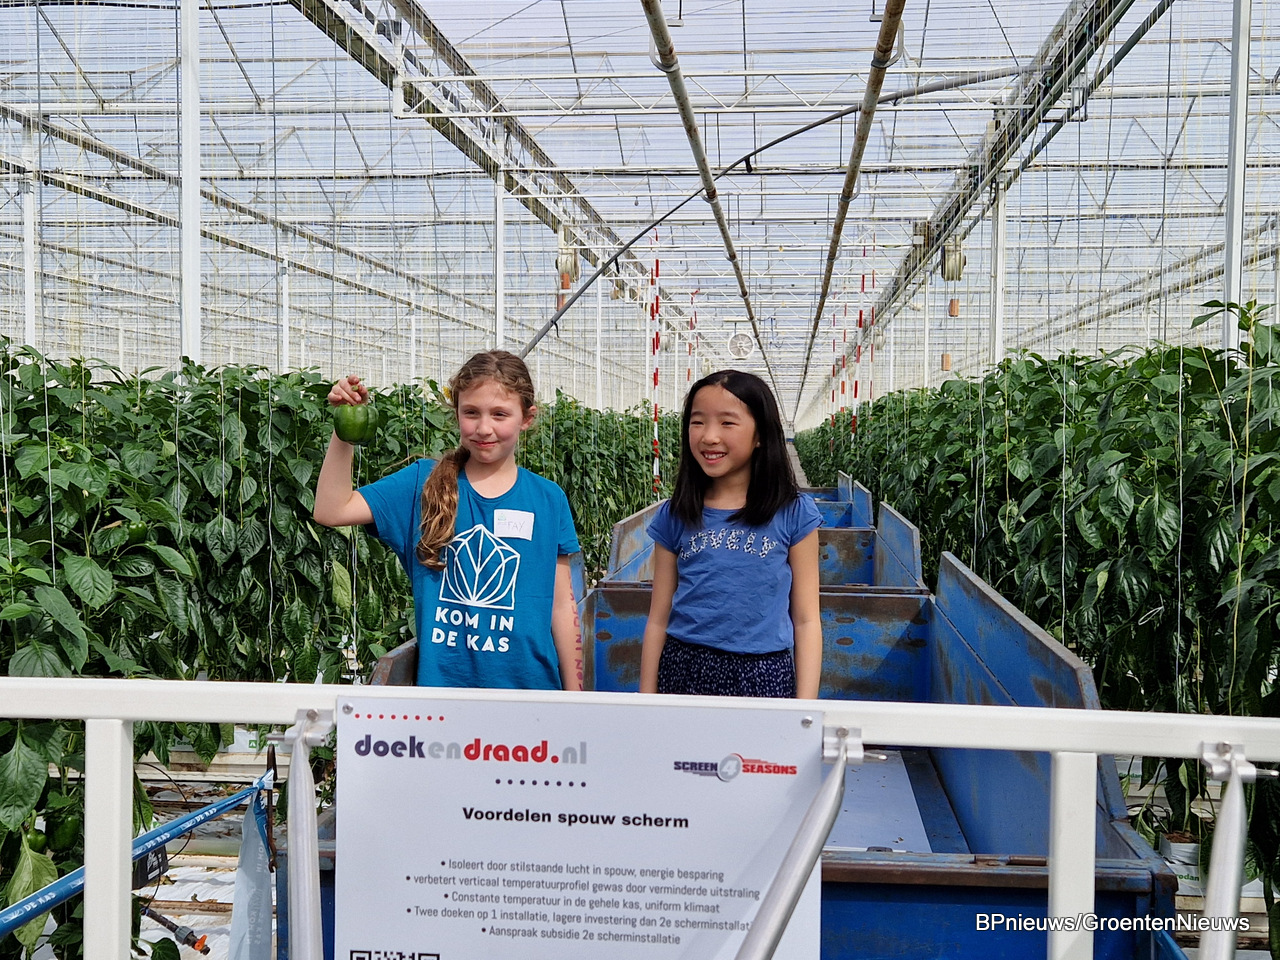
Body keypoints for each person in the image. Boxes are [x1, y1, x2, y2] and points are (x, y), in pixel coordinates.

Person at [313, 351, 583, 691]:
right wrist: (344, 431)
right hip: (444, 696)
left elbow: (561, 606)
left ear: (526, 418)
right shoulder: (421, 485)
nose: (484, 428)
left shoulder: (547, 498)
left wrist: (576, 697)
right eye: (471, 412)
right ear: (456, 413)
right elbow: (331, 510)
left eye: (500, 414)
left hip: (532, 693)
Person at [639, 370, 822, 699]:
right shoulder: (676, 513)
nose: (709, 436)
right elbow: (658, 618)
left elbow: (807, 620)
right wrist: (647, 698)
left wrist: (804, 708)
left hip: (763, 671)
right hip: (684, 667)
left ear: (760, 435)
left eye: (727, 423)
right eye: (698, 422)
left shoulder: (793, 513)